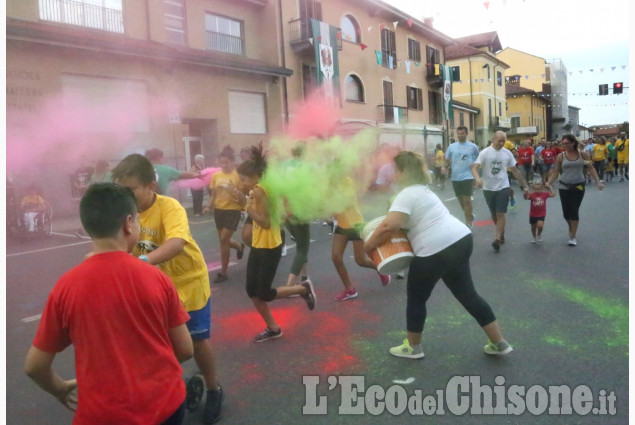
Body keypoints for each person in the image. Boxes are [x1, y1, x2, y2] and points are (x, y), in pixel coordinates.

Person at [24, 183, 193, 425]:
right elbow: (185, 349)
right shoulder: (156, 278)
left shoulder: (67, 287)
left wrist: (60, 388)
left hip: (102, 415)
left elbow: (35, 366)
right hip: (164, 406)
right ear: (128, 224)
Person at [363, 151, 512, 359]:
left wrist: (368, 245)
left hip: (435, 249)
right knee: (468, 295)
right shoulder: (424, 190)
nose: (393, 174)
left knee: (416, 299)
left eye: (396, 170)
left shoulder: (407, 193)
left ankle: (413, 348)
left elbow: (389, 225)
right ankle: (499, 342)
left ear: (405, 172)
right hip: (460, 240)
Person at [111, 154, 223, 424]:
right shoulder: (123, 215)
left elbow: (176, 242)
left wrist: (141, 262)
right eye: (120, 190)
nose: (124, 196)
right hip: (154, 286)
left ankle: (213, 388)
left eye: (130, 190)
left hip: (188, 282)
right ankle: (172, 390)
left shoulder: (169, 207)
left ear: (151, 185)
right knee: (158, 344)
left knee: (195, 342)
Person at [237, 144, 317, 343]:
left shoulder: (261, 190)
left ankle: (302, 289)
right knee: (252, 291)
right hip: (259, 243)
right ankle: (273, 328)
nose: (241, 183)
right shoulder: (260, 189)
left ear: (255, 177)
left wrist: (247, 208)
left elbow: (264, 222)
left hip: (270, 245)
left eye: (243, 179)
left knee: (262, 292)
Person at [331, 168, 390, 301]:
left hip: (355, 224)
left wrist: (331, 206)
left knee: (360, 260)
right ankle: (349, 289)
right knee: (336, 257)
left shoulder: (347, 181)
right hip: (342, 225)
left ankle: (381, 269)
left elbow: (345, 203)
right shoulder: (332, 184)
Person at [472, 131, 529, 252]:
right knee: (494, 214)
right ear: (493, 139)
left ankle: (497, 239)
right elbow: (474, 168)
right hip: (488, 188)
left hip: (503, 186)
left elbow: (515, 171)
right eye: (500, 140)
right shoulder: (485, 152)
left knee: (500, 213)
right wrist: (477, 179)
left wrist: (524, 185)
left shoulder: (507, 153)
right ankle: (501, 233)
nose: (502, 143)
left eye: (504, 140)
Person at [546, 134, 604, 246]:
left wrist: (598, 182)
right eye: (563, 143)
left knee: (574, 210)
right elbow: (556, 171)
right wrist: (549, 183)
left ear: (573, 143)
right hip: (564, 186)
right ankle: (572, 227)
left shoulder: (583, 155)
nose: (564, 145)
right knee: (566, 214)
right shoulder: (561, 156)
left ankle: (572, 236)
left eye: (567, 143)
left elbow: (591, 168)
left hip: (579, 186)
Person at [203, 146, 245, 283]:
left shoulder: (238, 176)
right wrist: (209, 207)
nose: (224, 165)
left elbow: (242, 197)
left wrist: (236, 193)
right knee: (223, 241)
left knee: (223, 239)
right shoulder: (216, 176)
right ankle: (239, 246)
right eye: (221, 162)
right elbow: (214, 194)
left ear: (233, 162)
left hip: (233, 210)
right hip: (219, 210)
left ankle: (223, 272)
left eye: (227, 162)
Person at [442, 126, 479, 227]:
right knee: (461, 201)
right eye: (458, 134)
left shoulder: (473, 146)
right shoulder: (452, 147)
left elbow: (478, 160)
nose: (460, 135)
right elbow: (447, 160)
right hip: (455, 177)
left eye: (462, 133)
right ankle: (469, 215)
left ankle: (468, 222)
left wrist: (476, 170)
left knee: (467, 200)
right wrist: (444, 168)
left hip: (468, 176)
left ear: (466, 134)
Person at [503, 139, 519, 210]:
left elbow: (516, 154)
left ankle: (512, 198)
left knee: (507, 187)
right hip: (497, 169)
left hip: (507, 168)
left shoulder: (508, 143)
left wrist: (507, 154)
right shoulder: (492, 144)